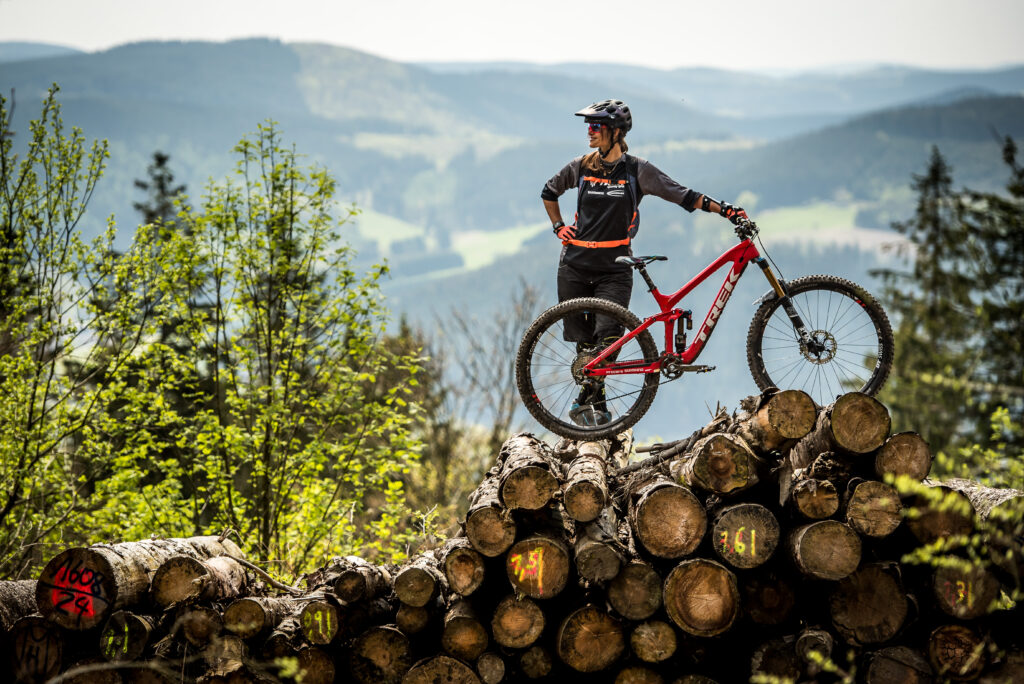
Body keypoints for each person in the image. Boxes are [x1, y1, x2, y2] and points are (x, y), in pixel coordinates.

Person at [541, 99, 748, 425]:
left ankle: (588, 408)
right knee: (586, 350)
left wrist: (726, 210)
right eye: (588, 127)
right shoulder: (581, 166)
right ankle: (595, 408)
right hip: (574, 266)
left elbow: (684, 195)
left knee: (609, 339)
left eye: (595, 127)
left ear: (615, 132)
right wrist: (558, 227)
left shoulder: (638, 170)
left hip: (615, 267)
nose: (589, 133)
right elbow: (549, 192)